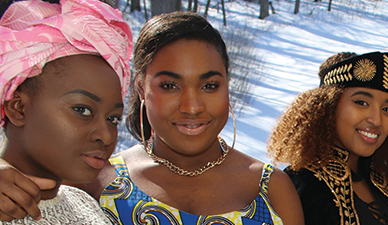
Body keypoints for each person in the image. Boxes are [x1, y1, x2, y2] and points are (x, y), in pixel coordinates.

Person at [91, 12, 303, 225]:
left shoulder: (271, 190)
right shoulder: (100, 184)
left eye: (209, 86)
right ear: (140, 89)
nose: (192, 107)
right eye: (170, 86)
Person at [0, 0, 131, 223]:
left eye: (112, 119)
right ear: (18, 108)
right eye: (82, 110)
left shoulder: (88, 207)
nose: (107, 136)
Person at [268, 51, 388, 225]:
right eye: (361, 102)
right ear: (329, 106)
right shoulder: (299, 184)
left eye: (387, 109)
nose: (376, 120)